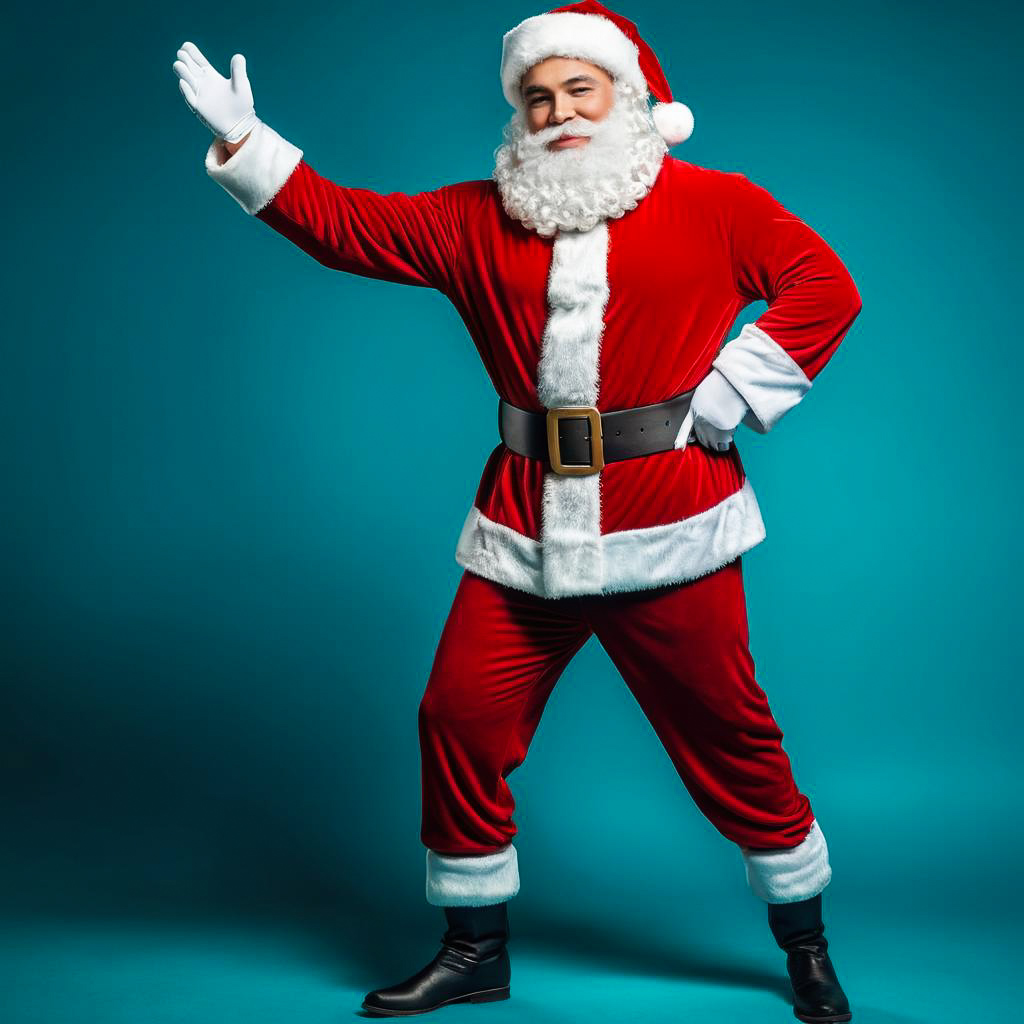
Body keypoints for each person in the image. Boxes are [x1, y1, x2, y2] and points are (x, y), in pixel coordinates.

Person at [172, 3, 861, 1021]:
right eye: (536, 96)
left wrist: (728, 393)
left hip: (669, 525)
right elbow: (345, 225)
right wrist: (244, 141)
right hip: (524, 530)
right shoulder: (471, 216)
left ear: (627, 98)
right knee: (456, 715)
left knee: (729, 734)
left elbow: (822, 284)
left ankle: (805, 943)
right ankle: (473, 950)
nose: (557, 110)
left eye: (579, 87)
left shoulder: (716, 204)